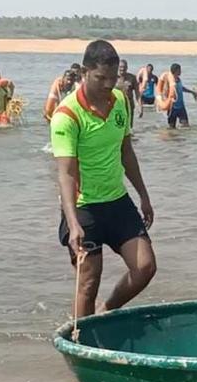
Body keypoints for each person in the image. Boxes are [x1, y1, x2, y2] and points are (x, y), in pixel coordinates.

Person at [51, 39, 156, 318]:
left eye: (112, 78)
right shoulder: (67, 115)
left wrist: (144, 196)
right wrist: (73, 223)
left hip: (117, 200)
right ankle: (81, 336)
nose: (108, 85)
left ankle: (105, 311)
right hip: (83, 207)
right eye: (100, 78)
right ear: (84, 72)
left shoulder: (120, 100)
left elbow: (126, 152)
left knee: (145, 267)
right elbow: (66, 174)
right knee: (88, 281)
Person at [165, 63, 197, 129]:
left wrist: (191, 92)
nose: (180, 71)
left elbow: (181, 88)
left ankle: (181, 135)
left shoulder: (179, 79)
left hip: (181, 106)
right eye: (179, 70)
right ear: (175, 71)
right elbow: (165, 92)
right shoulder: (169, 81)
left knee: (186, 126)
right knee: (171, 127)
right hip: (172, 108)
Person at [117, 59, 140, 126]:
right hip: (116, 105)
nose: (122, 69)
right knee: (118, 125)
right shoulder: (113, 77)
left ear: (127, 68)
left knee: (129, 125)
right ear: (117, 67)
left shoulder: (132, 78)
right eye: (120, 67)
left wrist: (140, 106)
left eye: (124, 67)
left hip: (129, 105)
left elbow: (137, 93)